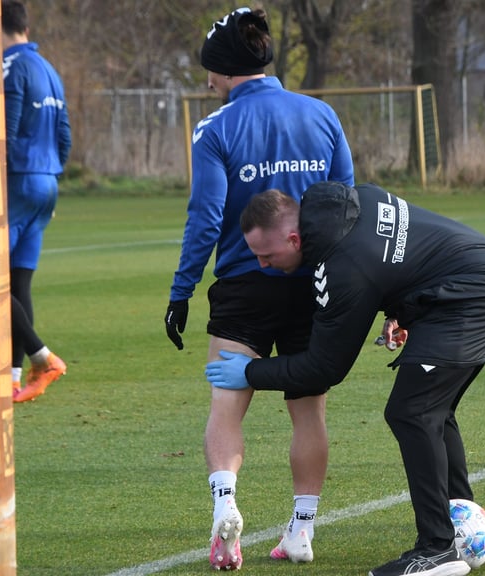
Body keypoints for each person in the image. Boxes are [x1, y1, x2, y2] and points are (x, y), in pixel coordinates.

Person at [205, 182, 485, 576]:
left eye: (267, 255)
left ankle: (437, 549)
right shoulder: (352, 198)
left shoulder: (340, 268)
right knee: (433, 411)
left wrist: (250, 371)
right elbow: (402, 258)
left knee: (412, 412)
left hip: (474, 298)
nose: (263, 265)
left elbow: (325, 368)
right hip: (483, 279)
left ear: (293, 238)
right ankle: (463, 525)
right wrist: (402, 310)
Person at [163, 6, 354, 571]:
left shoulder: (216, 128)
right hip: (310, 284)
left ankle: (226, 506)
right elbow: (346, 207)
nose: (207, 81)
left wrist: (182, 291)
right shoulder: (322, 114)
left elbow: (205, 218)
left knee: (227, 405)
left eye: (209, 72)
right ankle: (301, 530)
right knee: (309, 414)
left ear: (223, 70)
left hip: (245, 285)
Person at [2, 0, 71, 402]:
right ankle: (11, 378)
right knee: (17, 283)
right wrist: (50, 177)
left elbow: (4, 136)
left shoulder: (10, 68)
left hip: (16, 182)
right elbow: (65, 137)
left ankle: (41, 357)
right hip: (47, 183)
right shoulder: (49, 70)